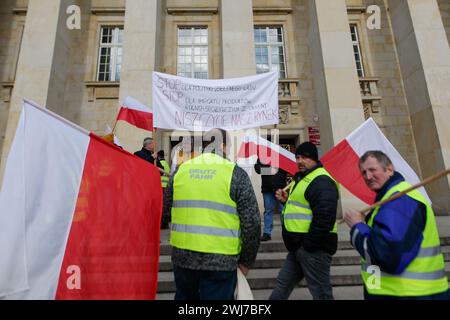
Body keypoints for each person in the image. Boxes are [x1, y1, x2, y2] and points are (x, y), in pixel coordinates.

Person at [162, 129, 261, 300]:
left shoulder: (180, 171)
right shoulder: (235, 173)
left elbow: (165, 212)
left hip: (183, 258)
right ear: (222, 146)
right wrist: (246, 262)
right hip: (221, 261)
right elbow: (252, 224)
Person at [343, 151, 449, 300]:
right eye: (364, 172)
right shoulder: (389, 198)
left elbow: (387, 256)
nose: (368, 177)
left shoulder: (399, 200)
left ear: (390, 169)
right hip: (397, 291)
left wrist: (357, 226)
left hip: (409, 294)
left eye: (373, 170)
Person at [270, 142, 339, 300]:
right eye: (298, 157)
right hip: (299, 247)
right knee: (282, 285)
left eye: (305, 157)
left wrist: (307, 245)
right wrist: (285, 201)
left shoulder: (321, 180)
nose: (300, 161)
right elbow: (303, 209)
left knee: (321, 293)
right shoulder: (302, 178)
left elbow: (325, 217)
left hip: (313, 249)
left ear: (314, 158)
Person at [254, 158, 287, 241]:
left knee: (283, 210)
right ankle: (267, 233)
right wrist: (271, 170)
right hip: (267, 188)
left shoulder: (280, 155)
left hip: (280, 188)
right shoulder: (262, 157)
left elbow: (285, 170)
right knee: (268, 210)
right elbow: (258, 169)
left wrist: (273, 170)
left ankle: (287, 231)